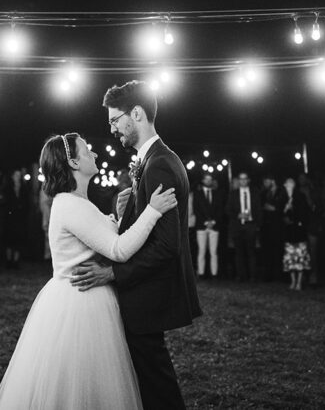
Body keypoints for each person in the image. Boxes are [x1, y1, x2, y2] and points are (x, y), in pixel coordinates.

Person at [0, 133, 177, 409]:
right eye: (88, 152)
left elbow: (98, 234)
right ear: (74, 163)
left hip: (84, 297)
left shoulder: (76, 202)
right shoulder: (70, 204)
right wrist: (152, 211)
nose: (95, 155)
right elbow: (117, 249)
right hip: (80, 305)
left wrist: (119, 214)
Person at [69, 80, 202, 410]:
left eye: (115, 120)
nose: (112, 128)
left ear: (137, 114)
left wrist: (113, 273)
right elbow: (148, 225)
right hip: (146, 291)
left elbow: (167, 245)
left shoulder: (159, 165)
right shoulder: (153, 160)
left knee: (156, 383)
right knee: (149, 378)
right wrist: (124, 209)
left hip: (148, 293)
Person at [226, 172, 261, 282]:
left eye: (245, 179)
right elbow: (227, 210)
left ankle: (253, 276)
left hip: (251, 225)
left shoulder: (255, 193)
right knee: (239, 252)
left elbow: (259, 210)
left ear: (248, 180)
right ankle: (241, 276)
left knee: (251, 252)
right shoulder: (233, 194)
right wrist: (238, 215)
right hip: (237, 225)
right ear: (239, 181)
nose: (243, 181)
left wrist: (257, 225)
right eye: (241, 179)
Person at [281, 177, 311, 291]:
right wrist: (285, 209)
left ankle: (299, 282)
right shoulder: (282, 197)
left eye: (292, 183)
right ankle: (292, 281)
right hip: (288, 233)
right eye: (287, 183)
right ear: (284, 185)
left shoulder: (300, 196)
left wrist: (296, 215)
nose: (289, 185)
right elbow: (279, 213)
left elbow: (305, 213)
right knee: (290, 259)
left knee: (300, 258)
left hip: (299, 232)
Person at [192, 173, 223, 278]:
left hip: (215, 225)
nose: (209, 181)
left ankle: (214, 274)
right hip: (201, 226)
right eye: (207, 179)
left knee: (213, 251)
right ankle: (201, 273)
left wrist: (213, 222)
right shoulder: (197, 194)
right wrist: (206, 222)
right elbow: (196, 210)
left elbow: (220, 210)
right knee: (201, 250)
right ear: (203, 180)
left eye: (210, 179)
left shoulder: (217, 193)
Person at [1, 169, 30, 269]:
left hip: (20, 218)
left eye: (19, 175)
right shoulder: (7, 188)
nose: (17, 177)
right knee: (9, 240)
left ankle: (16, 261)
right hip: (10, 218)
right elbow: (5, 202)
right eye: (15, 175)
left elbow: (27, 202)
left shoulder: (24, 188)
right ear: (12, 176)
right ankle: (9, 261)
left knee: (19, 241)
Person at [259, 176, 286, 281]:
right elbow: (261, 206)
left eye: (266, 181)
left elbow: (282, 207)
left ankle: (279, 274)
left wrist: (275, 209)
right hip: (266, 227)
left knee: (278, 250)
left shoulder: (281, 192)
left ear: (273, 181)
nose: (265, 183)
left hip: (278, 226)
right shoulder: (263, 193)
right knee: (267, 251)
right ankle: (268, 274)